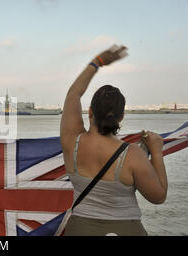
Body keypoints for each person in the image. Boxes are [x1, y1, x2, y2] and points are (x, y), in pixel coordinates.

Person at [60, 45, 168, 236]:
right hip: (125, 230)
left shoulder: (71, 142)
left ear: (90, 112)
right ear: (122, 117)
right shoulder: (133, 154)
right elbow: (158, 197)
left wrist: (98, 62)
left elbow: (73, 95)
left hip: (80, 229)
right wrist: (157, 152)